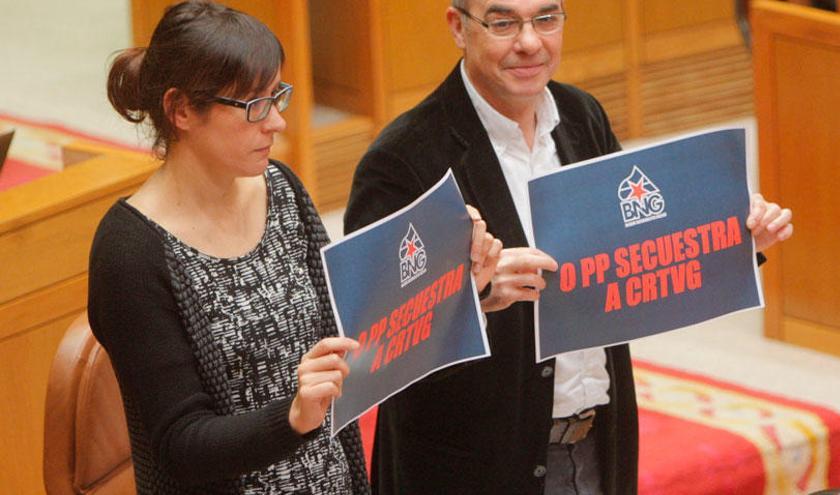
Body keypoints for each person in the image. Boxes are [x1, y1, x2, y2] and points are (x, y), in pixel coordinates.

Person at [344, 1, 794, 494]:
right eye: (502, 23)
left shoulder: (581, 115)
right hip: (472, 467)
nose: (530, 42)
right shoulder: (403, 156)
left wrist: (736, 239)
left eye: (546, 19)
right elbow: (372, 342)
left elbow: (638, 257)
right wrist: (474, 293)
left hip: (595, 440)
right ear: (458, 27)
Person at [89, 2, 500, 494]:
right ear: (180, 110)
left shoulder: (280, 188)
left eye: (276, 96)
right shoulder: (131, 251)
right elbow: (182, 444)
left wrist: (455, 288)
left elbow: (352, 334)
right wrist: (293, 415)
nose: (278, 122)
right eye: (254, 106)